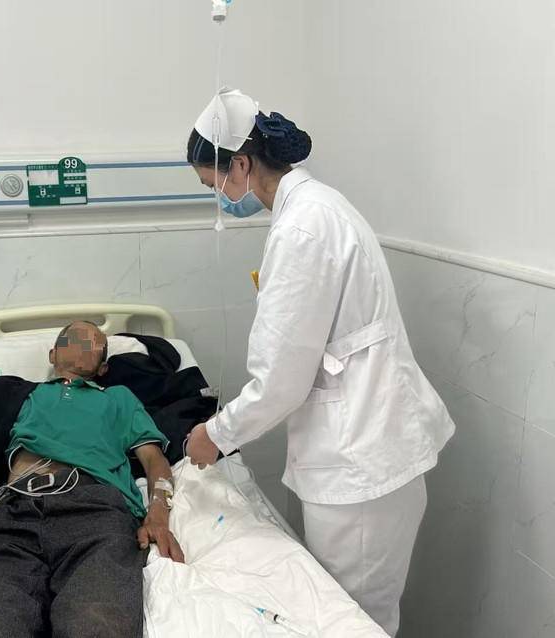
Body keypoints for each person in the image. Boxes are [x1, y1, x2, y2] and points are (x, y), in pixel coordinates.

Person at [183, 88, 455, 637]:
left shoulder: (303, 229)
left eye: (216, 186)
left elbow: (281, 380)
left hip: (360, 466)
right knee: (351, 617)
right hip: (363, 450)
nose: (222, 201)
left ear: (241, 164)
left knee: (353, 621)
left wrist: (216, 434)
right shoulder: (318, 208)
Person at [0, 321, 184, 638]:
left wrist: (158, 513)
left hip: (96, 514)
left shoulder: (119, 399)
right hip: (14, 518)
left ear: (103, 367)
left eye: (93, 342)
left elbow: (154, 459)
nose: (82, 341)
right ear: (52, 354)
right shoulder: (18, 397)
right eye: (72, 338)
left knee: (96, 626)